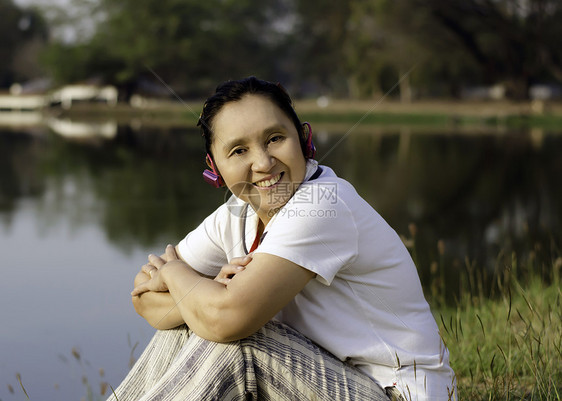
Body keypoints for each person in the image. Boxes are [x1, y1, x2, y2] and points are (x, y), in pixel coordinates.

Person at [108, 77, 456, 401]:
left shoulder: (323, 204)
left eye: (275, 138)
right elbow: (143, 298)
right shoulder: (235, 214)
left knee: (239, 340)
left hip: (396, 392)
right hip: (323, 380)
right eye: (238, 151)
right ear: (213, 166)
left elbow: (226, 320)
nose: (262, 162)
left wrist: (175, 276)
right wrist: (202, 294)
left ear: (303, 139)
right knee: (188, 322)